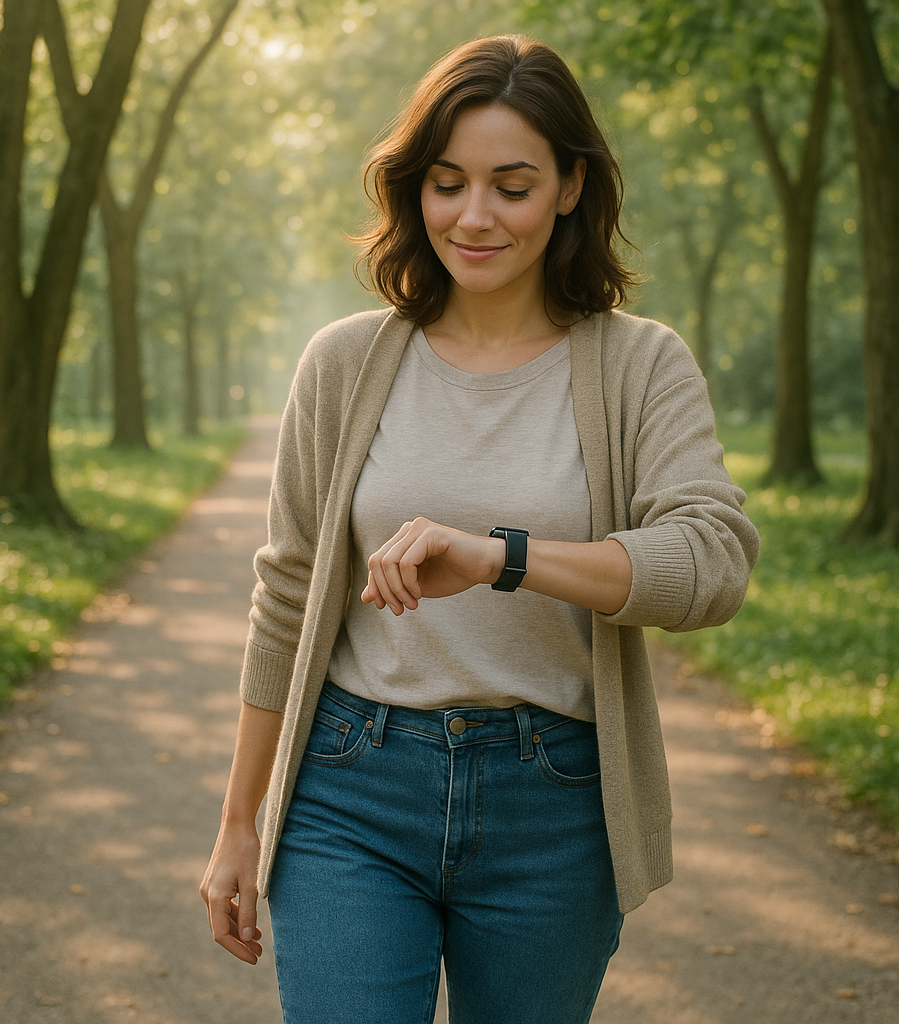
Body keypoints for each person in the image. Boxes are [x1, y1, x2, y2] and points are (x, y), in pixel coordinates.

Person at [200, 34, 759, 1024]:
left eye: (512, 184)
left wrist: (501, 556)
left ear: (571, 185)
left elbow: (709, 566)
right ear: (414, 189)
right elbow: (286, 599)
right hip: (351, 789)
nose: (474, 215)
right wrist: (238, 824)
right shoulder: (343, 363)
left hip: (554, 802)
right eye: (447, 182)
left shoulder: (639, 366)